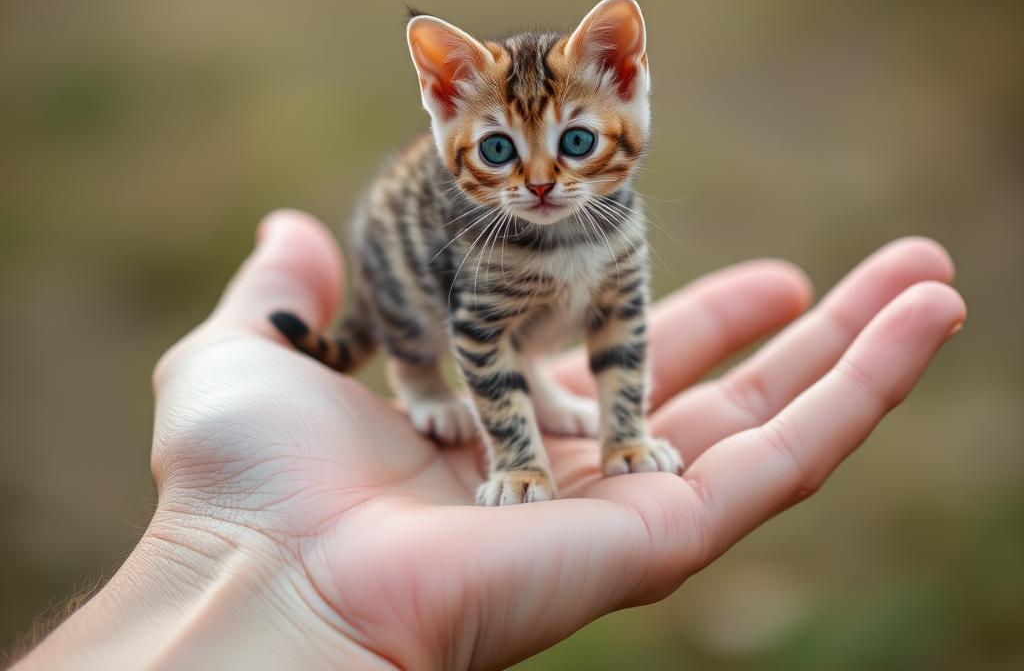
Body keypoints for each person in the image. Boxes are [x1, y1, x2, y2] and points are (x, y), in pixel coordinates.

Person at [15, 210, 965, 670]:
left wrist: (623, 430)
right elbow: (476, 336)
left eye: (579, 143)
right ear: (443, 107)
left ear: (628, 85)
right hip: (425, 329)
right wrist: (503, 445)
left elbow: (622, 333)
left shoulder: (611, 227)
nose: (544, 182)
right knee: (465, 333)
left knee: (598, 329)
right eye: (505, 152)